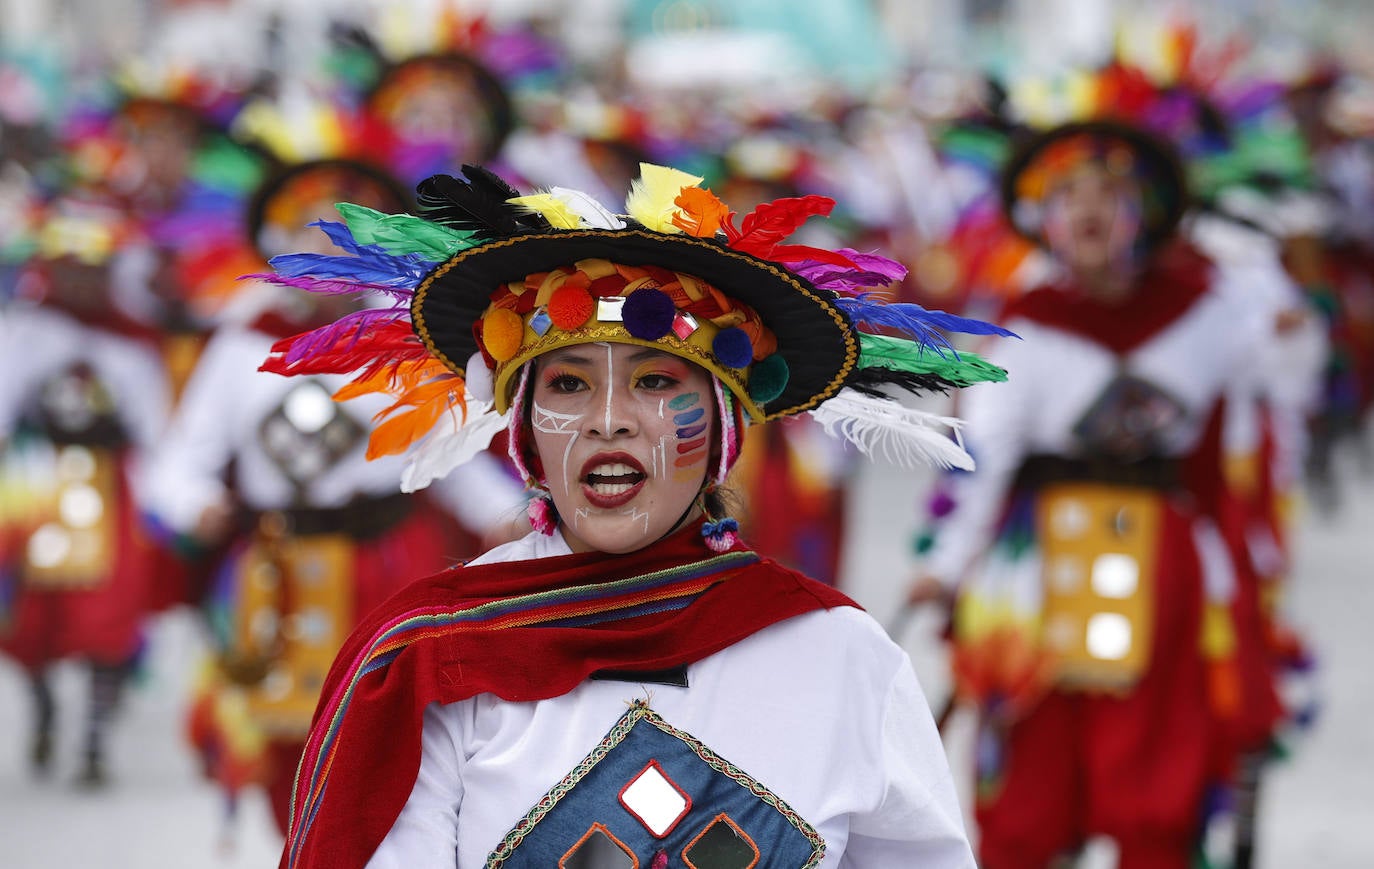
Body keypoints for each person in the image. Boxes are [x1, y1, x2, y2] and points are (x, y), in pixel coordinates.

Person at [258, 162, 1013, 867]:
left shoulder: (845, 657)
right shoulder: (429, 662)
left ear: (723, 429)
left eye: (655, 380)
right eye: (568, 384)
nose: (609, 420)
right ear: (522, 430)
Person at [907, 119, 1270, 868]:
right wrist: (943, 567)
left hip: (1166, 570)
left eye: (1111, 193)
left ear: (1149, 212)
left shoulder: (1210, 314)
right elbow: (978, 462)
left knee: (1156, 774)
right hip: (1039, 572)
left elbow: (1249, 439)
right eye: (1067, 195)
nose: (1088, 212)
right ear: (1043, 221)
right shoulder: (1022, 328)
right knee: (1032, 777)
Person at [140, 157, 525, 836]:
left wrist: (505, 515)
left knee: (401, 738)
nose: (323, 253)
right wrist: (193, 503)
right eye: (304, 233)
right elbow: (180, 463)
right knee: (286, 746)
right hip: (275, 572)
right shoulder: (239, 343)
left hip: (389, 565)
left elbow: (450, 456)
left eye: (343, 235)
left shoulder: (411, 338)